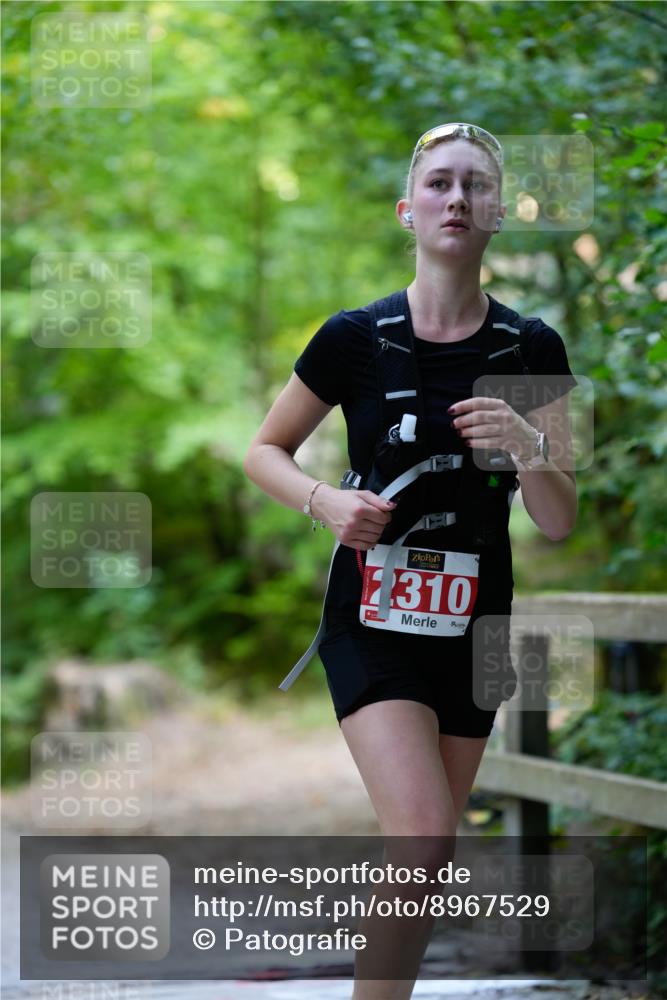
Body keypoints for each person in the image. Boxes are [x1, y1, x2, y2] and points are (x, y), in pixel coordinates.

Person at [243, 122, 578, 999]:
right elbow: (264, 452)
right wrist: (324, 500)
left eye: (474, 186)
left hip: (477, 628)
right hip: (372, 615)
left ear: (498, 213)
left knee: (426, 857)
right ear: (408, 209)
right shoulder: (356, 337)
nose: (456, 199)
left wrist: (529, 447)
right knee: (425, 835)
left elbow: (557, 520)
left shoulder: (529, 349)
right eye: (438, 184)